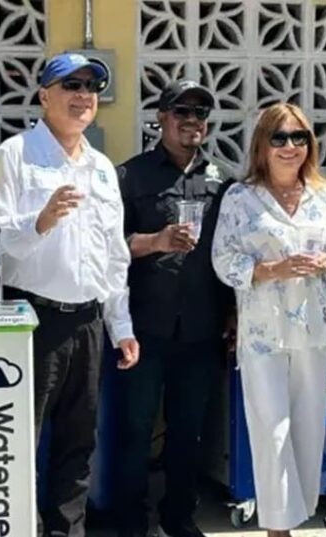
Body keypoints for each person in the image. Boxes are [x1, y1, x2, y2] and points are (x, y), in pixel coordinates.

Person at [0, 52, 139, 537]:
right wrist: (39, 222)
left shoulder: (103, 168)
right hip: (32, 323)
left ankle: (68, 531)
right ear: (44, 95)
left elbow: (113, 255)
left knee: (78, 442)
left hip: (87, 321)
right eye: (70, 85)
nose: (83, 95)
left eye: (91, 86)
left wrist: (121, 326)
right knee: (20, 441)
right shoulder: (16, 154)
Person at [211, 103, 326, 535]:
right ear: (262, 145)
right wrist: (269, 270)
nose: (290, 146)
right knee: (271, 434)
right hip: (263, 334)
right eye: (279, 138)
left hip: (314, 332)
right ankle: (278, 529)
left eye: (299, 137)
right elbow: (223, 260)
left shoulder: (325, 195)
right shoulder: (240, 198)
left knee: (308, 435)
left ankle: (296, 516)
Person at [115, 79, 235, 537]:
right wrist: (155, 242)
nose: (192, 121)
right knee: (136, 431)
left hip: (202, 329)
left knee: (189, 434)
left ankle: (178, 519)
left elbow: (231, 252)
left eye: (200, 113)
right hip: (144, 327)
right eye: (182, 111)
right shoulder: (130, 176)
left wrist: (232, 313)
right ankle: (130, 523)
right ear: (161, 118)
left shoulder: (223, 180)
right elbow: (110, 249)